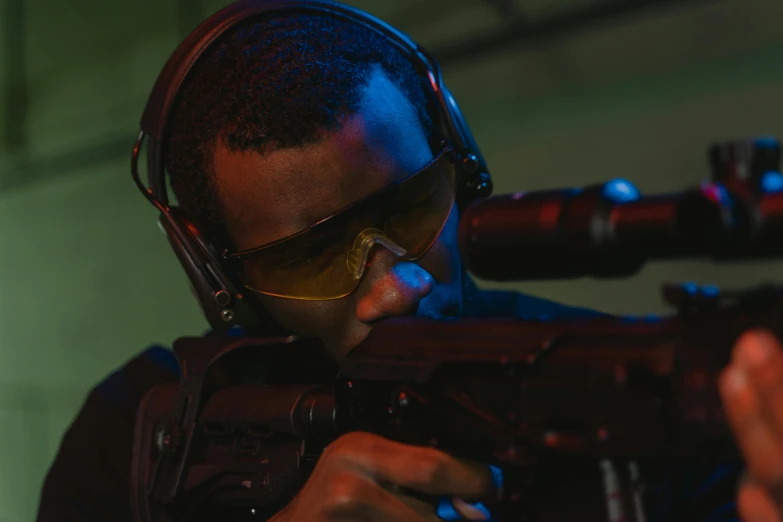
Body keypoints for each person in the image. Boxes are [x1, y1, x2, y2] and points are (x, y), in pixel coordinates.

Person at [35, 2, 783, 521]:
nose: (396, 287)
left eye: (411, 208)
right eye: (313, 256)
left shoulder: (627, 386)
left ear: (461, 166)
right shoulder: (135, 435)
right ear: (218, 276)